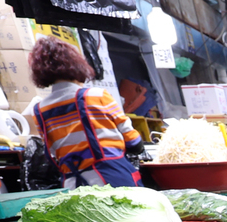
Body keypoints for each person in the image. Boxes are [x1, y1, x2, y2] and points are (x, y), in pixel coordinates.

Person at [28, 37, 145, 187]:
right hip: (111, 181)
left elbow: (52, 153)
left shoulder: (39, 110)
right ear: (76, 65)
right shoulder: (97, 96)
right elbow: (134, 142)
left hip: (74, 187)